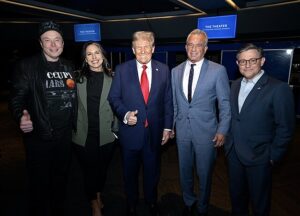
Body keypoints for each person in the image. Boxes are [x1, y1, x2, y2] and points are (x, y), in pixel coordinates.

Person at [9, 21, 76, 216]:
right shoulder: (26, 66)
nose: (53, 45)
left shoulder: (69, 66)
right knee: (38, 185)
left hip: (64, 137)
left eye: (57, 40)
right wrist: (21, 116)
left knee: (61, 180)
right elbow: (16, 98)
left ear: (63, 44)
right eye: (48, 40)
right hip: (39, 138)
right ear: (40, 43)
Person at [224, 43, 295, 216]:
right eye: (242, 61)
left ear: (262, 61)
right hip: (234, 155)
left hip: (260, 158)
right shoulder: (234, 85)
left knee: (260, 205)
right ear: (237, 63)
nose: (247, 65)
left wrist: (272, 157)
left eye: (252, 60)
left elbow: (286, 128)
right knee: (237, 201)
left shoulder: (278, 89)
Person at [108, 31, 173, 216]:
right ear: (133, 49)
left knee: (152, 173)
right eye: (139, 47)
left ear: (153, 48)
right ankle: (131, 203)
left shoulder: (164, 70)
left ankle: (152, 202)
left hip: (154, 133)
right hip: (130, 134)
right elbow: (113, 98)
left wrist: (168, 127)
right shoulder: (122, 70)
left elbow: (168, 101)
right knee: (129, 174)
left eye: (147, 47)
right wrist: (125, 114)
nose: (143, 51)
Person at [171, 29, 231, 216]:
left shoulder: (218, 70)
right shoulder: (175, 71)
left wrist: (222, 130)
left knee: (204, 174)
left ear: (205, 48)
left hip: (207, 132)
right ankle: (188, 201)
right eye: (191, 45)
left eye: (199, 45)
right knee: (184, 171)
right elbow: (174, 103)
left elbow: (224, 104)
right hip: (182, 131)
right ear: (185, 47)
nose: (194, 49)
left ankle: (203, 207)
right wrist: (170, 127)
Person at [72, 41, 117, 216]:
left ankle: (97, 193)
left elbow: (119, 104)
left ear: (103, 55)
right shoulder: (76, 79)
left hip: (106, 133)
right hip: (83, 134)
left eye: (97, 53)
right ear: (85, 59)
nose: (94, 57)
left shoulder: (113, 78)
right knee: (89, 170)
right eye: (89, 54)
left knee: (102, 170)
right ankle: (94, 203)